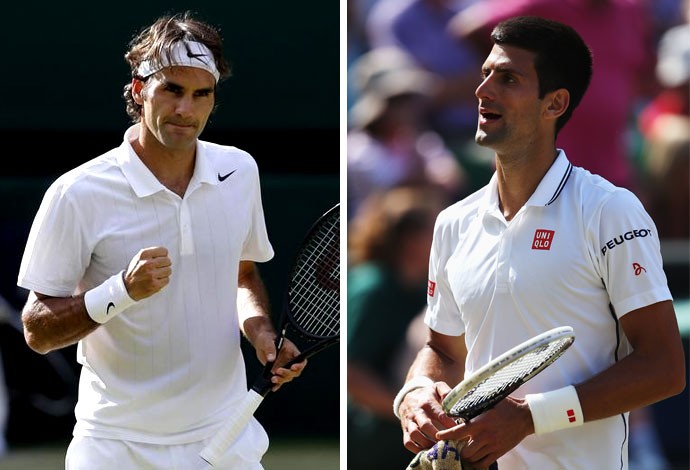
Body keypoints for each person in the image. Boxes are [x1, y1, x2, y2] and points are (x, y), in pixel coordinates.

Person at [16, 12, 305, 470]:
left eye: (200, 94)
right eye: (171, 90)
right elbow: (36, 329)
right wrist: (121, 292)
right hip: (114, 446)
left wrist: (260, 331)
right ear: (138, 91)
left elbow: (242, 274)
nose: (185, 110)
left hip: (224, 437)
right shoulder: (76, 192)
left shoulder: (240, 172)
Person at [394, 16, 686, 469]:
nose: (483, 90)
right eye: (485, 73)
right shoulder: (452, 222)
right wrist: (415, 393)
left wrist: (529, 419)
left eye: (507, 78)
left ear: (554, 104)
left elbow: (663, 367)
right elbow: (441, 351)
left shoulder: (610, 210)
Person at [347, 186, 443, 469]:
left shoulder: (425, 287)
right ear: (411, 239)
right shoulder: (371, 287)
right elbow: (351, 373)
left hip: (407, 437)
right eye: (433, 230)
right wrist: (408, 409)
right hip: (368, 440)